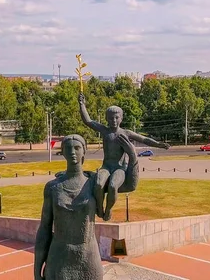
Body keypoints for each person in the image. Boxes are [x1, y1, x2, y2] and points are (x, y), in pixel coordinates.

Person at [78, 92, 170, 221]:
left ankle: (108, 210)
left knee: (112, 186)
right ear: (106, 118)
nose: (113, 121)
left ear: (121, 118)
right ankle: (99, 207)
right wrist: (82, 104)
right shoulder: (105, 131)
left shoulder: (126, 133)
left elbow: (144, 139)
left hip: (119, 169)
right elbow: (87, 121)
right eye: (110, 118)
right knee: (98, 184)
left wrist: (159, 144)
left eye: (116, 118)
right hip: (106, 167)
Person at [34, 134, 104, 280]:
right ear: (63, 152)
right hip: (59, 256)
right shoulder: (53, 187)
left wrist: (130, 153)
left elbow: (129, 183)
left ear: (84, 151)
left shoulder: (94, 184)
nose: (73, 152)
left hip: (88, 256)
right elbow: (44, 229)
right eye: (68, 148)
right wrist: (37, 268)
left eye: (77, 148)